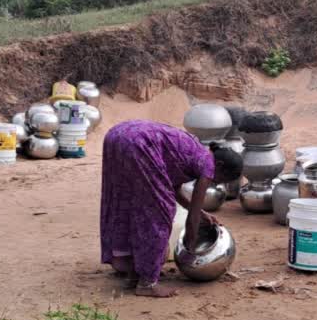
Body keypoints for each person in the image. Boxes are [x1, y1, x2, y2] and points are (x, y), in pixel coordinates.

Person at [99, 120, 243, 298]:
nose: (214, 181)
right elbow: (192, 220)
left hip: (117, 134)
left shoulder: (196, 151)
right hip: (138, 142)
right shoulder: (208, 165)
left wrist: (201, 213)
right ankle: (147, 283)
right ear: (220, 165)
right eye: (220, 179)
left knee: (126, 198)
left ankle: (132, 270)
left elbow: (175, 190)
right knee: (160, 211)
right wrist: (190, 248)